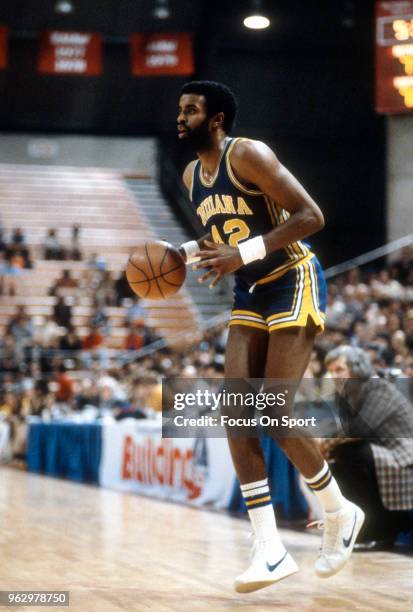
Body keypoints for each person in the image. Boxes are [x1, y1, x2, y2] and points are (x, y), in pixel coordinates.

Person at [176, 80, 364, 592]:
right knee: (235, 413)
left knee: (274, 415)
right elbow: (224, 238)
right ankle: (269, 549)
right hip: (251, 290)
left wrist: (243, 255)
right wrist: (185, 254)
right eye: (181, 110)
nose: (181, 117)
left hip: (293, 278)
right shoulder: (193, 175)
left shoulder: (250, 155)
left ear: (215, 119)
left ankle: (339, 511)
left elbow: (311, 217)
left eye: (190, 110)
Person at [322, 346, 413, 550]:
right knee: (333, 465)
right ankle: (362, 528)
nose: (333, 375)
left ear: (356, 369)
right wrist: (329, 446)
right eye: (331, 371)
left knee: (352, 454)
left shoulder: (378, 388)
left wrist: (325, 443)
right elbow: (346, 432)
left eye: (339, 369)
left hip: (403, 452)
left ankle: (381, 531)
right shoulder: (346, 395)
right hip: (379, 451)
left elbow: (360, 428)